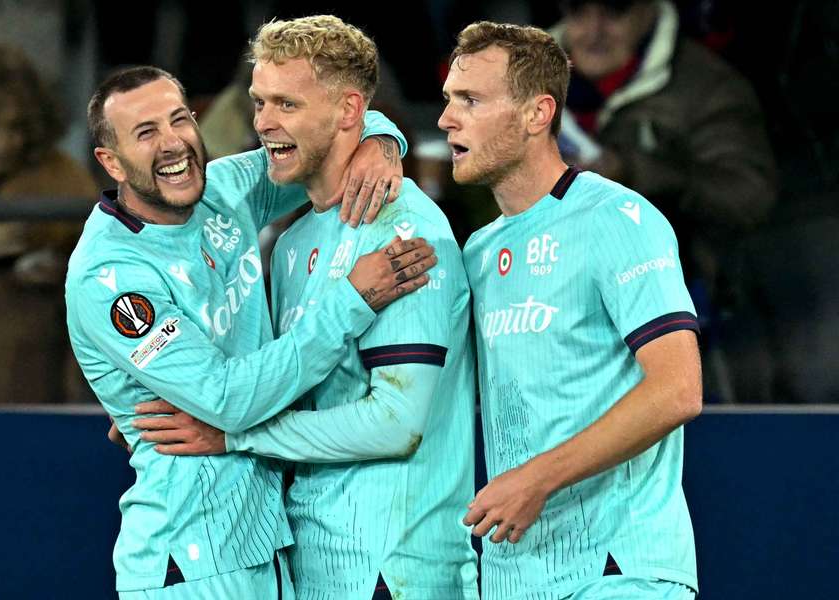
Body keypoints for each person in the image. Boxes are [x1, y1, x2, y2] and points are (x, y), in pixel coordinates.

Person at [131, 15, 479, 600]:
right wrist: (164, 400)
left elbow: (396, 425)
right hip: (308, 563)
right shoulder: (290, 244)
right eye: (259, 102)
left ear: (348, 112)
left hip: (395, 567)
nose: (264, 123)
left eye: (286, 104)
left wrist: (232, 435)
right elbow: (283, 378)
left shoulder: (405, 233)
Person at [66, 64, 435, 598]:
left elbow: (318, 143)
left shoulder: (222, 190)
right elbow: (226, 399)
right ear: (111, 161)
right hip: (191, 557)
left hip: (262, 543)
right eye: (146, 133)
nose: (174, 144)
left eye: (180, 120)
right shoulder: (110, 276)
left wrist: (382, 141)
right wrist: (352, 300)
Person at [439, 21, 702, 599]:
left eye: (471, 101)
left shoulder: (617, 219)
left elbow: (678, 389)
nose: (447, 120)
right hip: (514, 577)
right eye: (449, 101)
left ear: (538, 114)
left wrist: (537, 479)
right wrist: (385, 141)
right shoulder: (478, 253)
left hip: (618, 572)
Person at [551, 0, 776, 400]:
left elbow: (750, 195)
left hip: (670, 302)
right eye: (577, 10)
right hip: (541, 299)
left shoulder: (705, 85)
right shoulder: (519, 74)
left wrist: (635, 172)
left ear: (651, 9)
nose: (593, 30)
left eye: (614, 11)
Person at [0, 39, 98, 404]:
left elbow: (105, 261)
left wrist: (61, 269)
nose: (3, 142)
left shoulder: (61, 178)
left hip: (25, 371)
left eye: (15, 127)